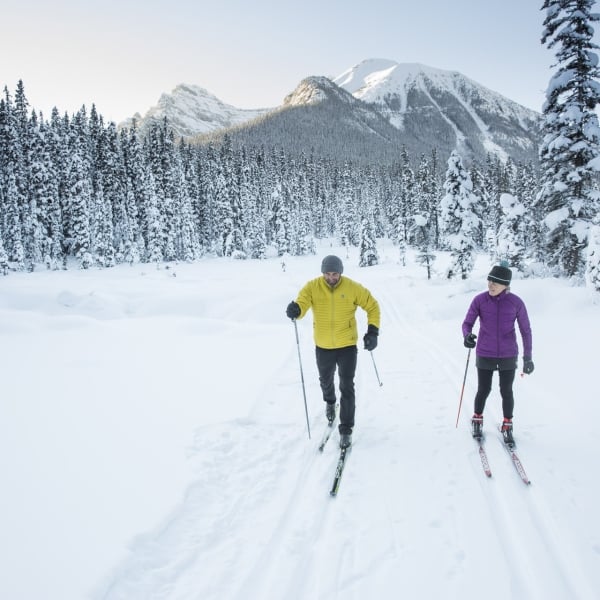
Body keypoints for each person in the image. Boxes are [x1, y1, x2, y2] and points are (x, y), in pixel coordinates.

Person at [286, 255, 381, 449]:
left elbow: (372, 306)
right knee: (325, 381)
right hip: (323, 346)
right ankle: (330, 402)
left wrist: (373, 331)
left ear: (341, 272)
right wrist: (296, 309)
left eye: (335, 274)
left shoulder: (352, 287)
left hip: (347, 345)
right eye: (327, 274)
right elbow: (303, 304)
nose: (331, 278)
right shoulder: (312, 287)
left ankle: (346, 429)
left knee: (347, 385)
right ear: (322, 273)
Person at [461, 263, 533, 445]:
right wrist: (467, 336)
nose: (491, 285)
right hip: (485, 352)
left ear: (506, 285)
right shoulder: (480, 300)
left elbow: (526, 330)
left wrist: (528, 357)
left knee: (506, 391)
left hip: (508, 354)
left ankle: (508, 424)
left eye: (496, 282)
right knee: (484, 389)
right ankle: (477, 418)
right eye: (489, 280)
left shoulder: (516, 302)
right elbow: (467, 323)